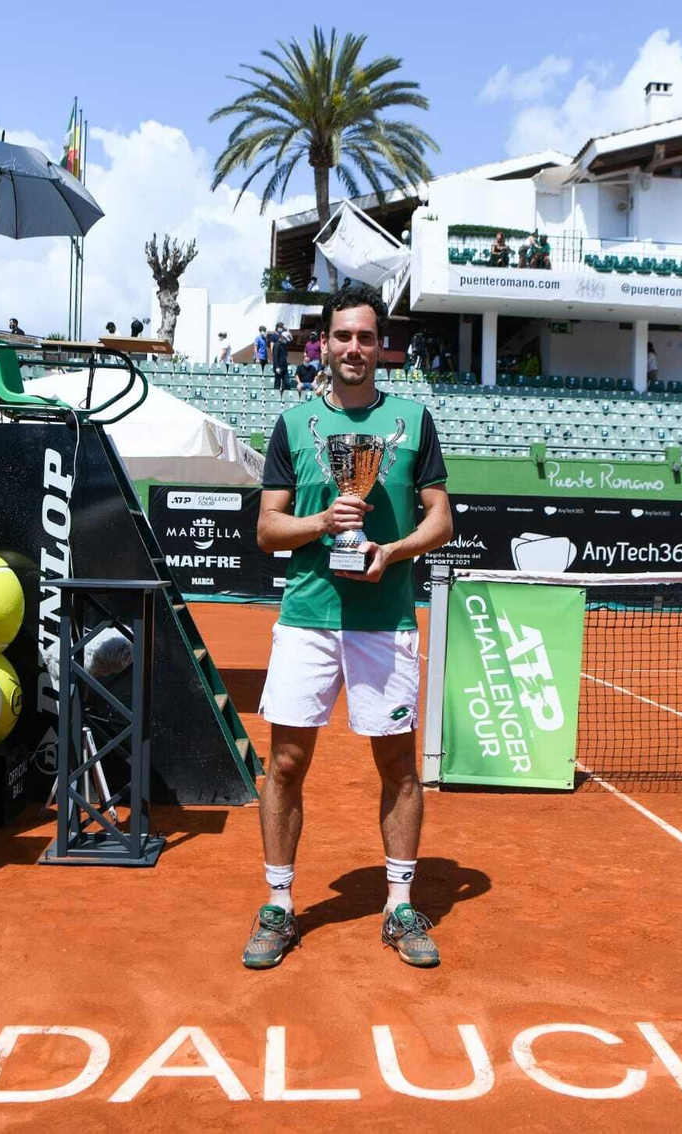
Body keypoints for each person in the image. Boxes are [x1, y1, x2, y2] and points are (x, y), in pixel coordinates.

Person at [244, 282, 454, 970]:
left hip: (384, 620)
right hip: (307, 617)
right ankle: (278, 903)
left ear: (379, 346)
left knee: (397, 765)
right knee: (286, 763)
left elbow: (441, 519)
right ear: (323, 343)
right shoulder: (293, 425)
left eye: (365, 337)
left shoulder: (413, 421)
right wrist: (322, 524)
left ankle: (399, 906)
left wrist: (391, 550)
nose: (354, 349)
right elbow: (268, 529)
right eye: (343, 336)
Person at [271, 323, 291, 392]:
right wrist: (277, 367)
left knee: (287, 383)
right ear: (282, 337)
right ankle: (276, 396)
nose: (286, 341)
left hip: (284, 367)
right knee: (277, 384)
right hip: (278, 368)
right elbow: (275, 357)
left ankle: (284, 395)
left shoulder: (283, 345)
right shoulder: (277, 345)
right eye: (285, 339)